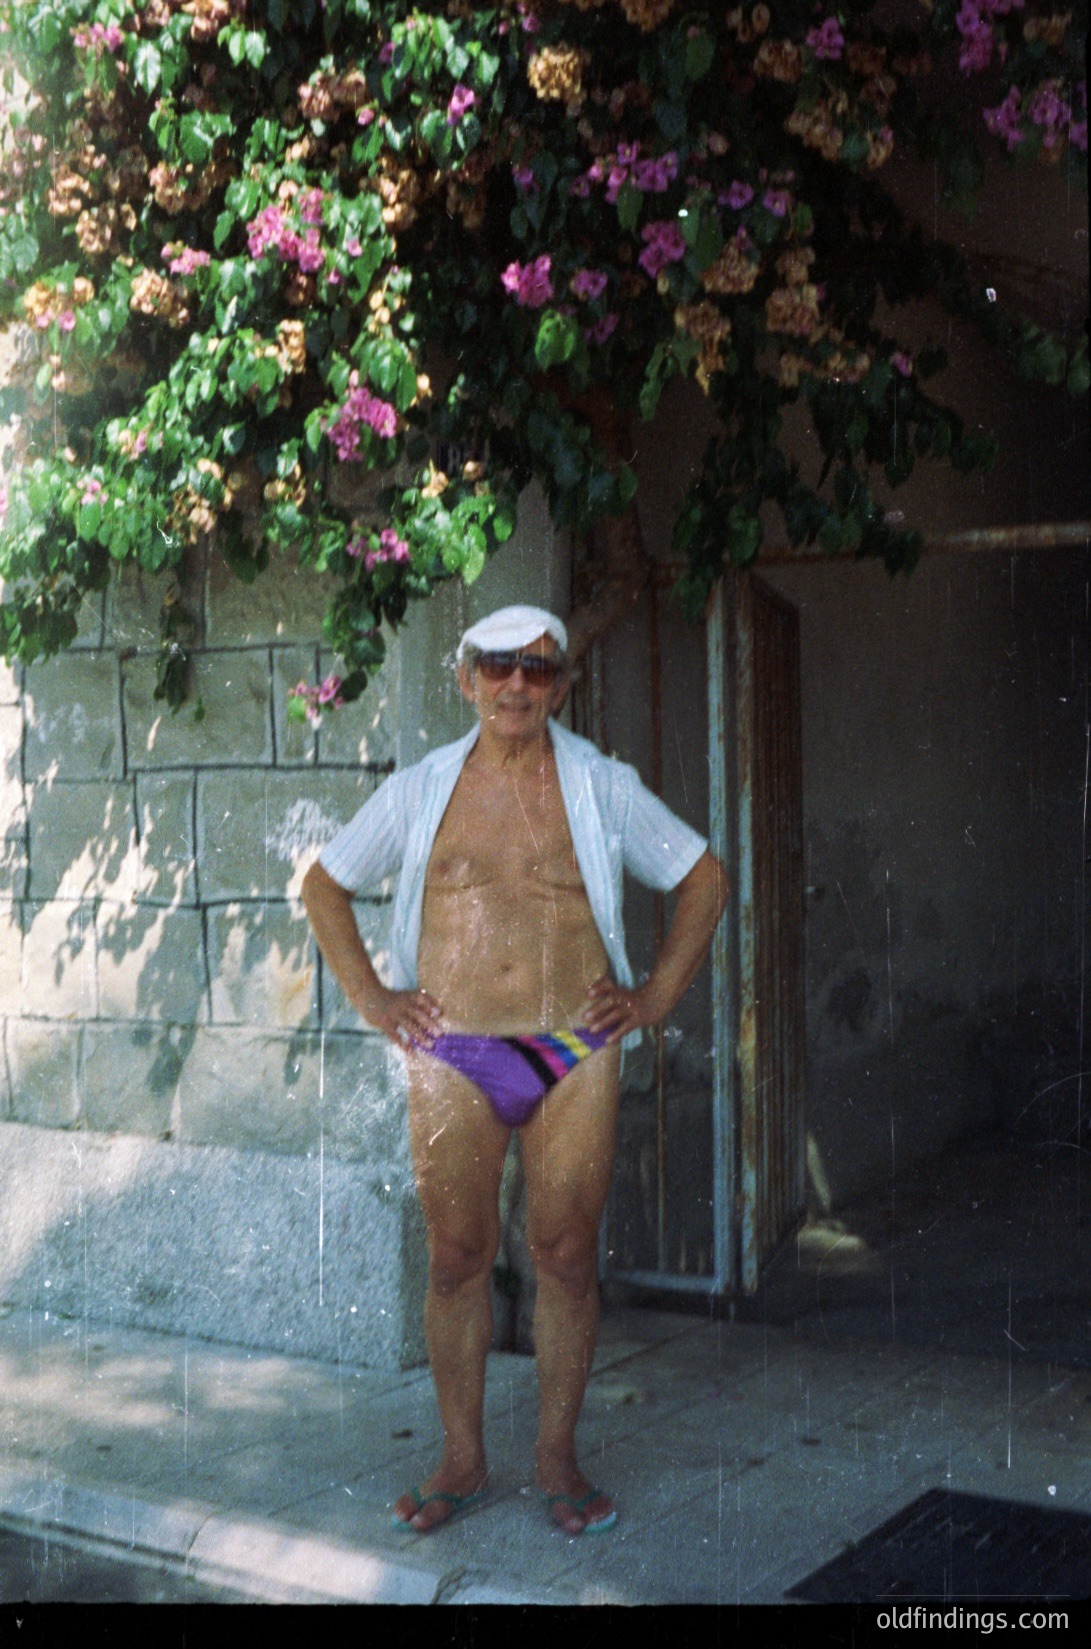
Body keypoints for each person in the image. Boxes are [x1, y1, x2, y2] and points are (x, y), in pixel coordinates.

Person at [301, 604, 728, 1536]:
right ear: (467, 680)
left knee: (567, 1258)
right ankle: (460, 1458)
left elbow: (703, 877)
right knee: (456, 1258)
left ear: (562, 687)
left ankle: (557, 1458)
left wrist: (652, 997)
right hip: (452, 1052)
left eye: (538, 671)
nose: (516, 685)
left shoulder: (602, 786)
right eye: (497, 668)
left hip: (569, 1051)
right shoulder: (419, 790)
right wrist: (376, 998)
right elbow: (323, 884)